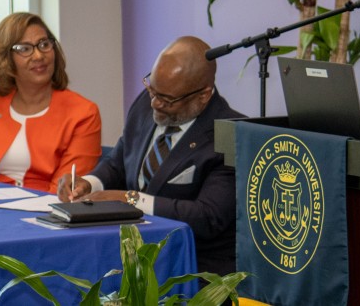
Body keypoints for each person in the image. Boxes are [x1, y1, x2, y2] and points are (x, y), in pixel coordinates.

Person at [61, 36, 245, 276]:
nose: (155, 104)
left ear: (203, 95)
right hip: (128, 254)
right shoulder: (146, 103)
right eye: (152, 90)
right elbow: (118, 163)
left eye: (167, 99)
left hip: (192, 268)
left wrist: (133, 199)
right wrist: (89, 183)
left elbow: (207, 216)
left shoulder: (230, 134)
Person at [0, 12, 102, 192]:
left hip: (46, 212)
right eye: (25, 49)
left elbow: (66, 192)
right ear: (6, 59)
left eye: (44, 44)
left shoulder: (83, 113)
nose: (38, 55)